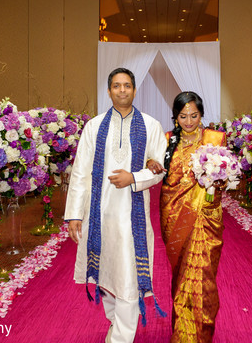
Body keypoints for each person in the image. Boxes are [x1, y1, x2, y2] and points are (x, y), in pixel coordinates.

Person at [64, 67, 168, 343]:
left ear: (134, 90)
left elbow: (160, 168)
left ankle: (121, 337)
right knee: (105, 275)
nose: (122, 90)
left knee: (128, 277)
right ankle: (115, 323)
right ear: (109, 90)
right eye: (117, 86)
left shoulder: (150, 125)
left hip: (131, 218)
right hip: (97, 215)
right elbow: (80, 172)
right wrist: (74, 214)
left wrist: (133, 177)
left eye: (127, 86)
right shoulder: (94, 126)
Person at [157, 91, 227, 342]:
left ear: (202, 114)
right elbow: (159, 174)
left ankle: (200, 333)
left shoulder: (215, 139)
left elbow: (226, 176)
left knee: (203, 272)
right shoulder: (166, 139)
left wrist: (218, 180)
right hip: (174, 213)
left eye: (194, 115)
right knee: (182, 272)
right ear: (175, 117)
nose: (189, 121)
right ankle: (183, 332)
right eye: (183, 116)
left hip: (205, 214)